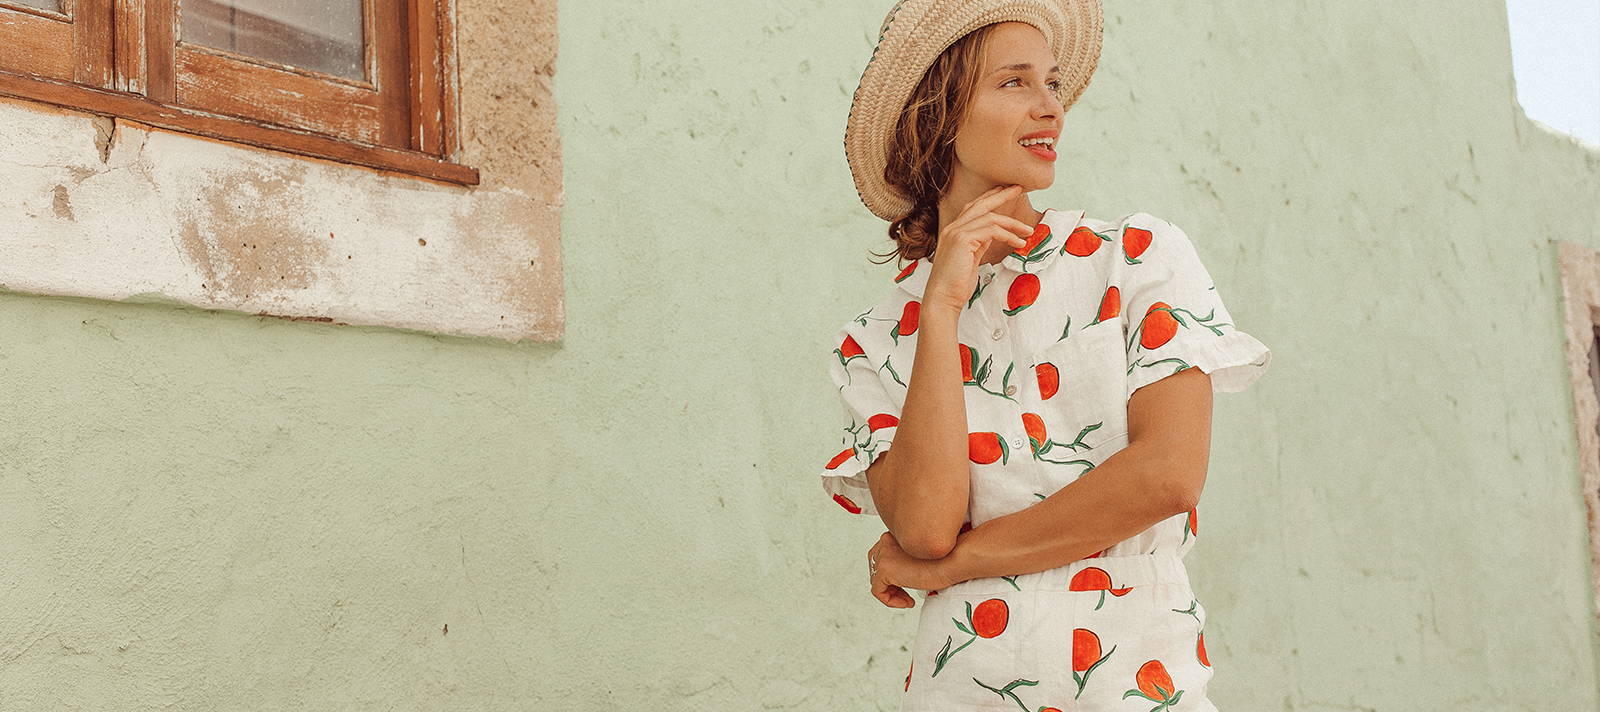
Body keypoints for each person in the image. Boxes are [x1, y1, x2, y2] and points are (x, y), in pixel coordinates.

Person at [818, 1, 1273, 709]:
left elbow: (1166, 477)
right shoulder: (876, 340)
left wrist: (958, 565)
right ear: (938, 114)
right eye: (1014, 83)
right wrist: (940, 308)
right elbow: (926, 529)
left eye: (1053, 85)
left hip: (1138, 686)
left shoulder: (1135, 260)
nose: (1050, 109)